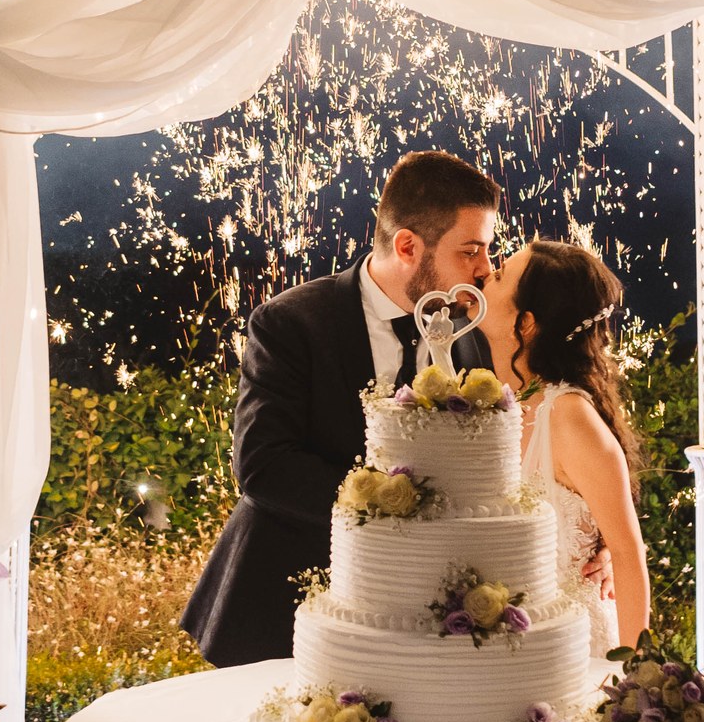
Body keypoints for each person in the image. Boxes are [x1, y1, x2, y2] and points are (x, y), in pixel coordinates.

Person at [180, 150, 501, 666]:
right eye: (471, 251)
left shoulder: (469, 342)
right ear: (407, 246)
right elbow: (264, 466)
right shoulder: (291, 322)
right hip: (282, 603)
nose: (485, 268)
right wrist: (395, 507)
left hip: (409, 620)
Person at [479, 238, 652, 656]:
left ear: (526, 324)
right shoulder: (497, 399)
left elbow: (629, 556)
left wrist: (633, 676)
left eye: (500, 276)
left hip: (571, 650)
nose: (485, 275)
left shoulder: (570, 418)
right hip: (499, 651)